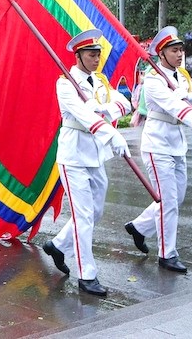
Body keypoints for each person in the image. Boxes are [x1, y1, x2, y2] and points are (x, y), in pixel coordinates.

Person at [42, 29, 132, 297]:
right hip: (73, 155)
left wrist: (104, 109)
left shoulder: (100, 81)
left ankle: (58, 245)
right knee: (83, 217)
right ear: (78, 56)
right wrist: (110, 132)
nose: (96, 59)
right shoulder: (65, 83)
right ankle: (87, 275)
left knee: (96, 213)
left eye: (98, 54)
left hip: (95, 155)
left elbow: (124, 103)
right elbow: (83, 116)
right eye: (92, 55)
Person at [124, 26, 192, 274]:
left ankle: (140, 227)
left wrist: (187, 94)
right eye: (174, 51)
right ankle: (167, 254)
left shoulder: (182, 76)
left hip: (176, 144)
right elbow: (173, 106)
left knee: (177, 198)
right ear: (161, 54)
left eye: (181, 50)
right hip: (157, 145)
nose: (179, 55)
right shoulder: (153, 79)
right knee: (168, 202)